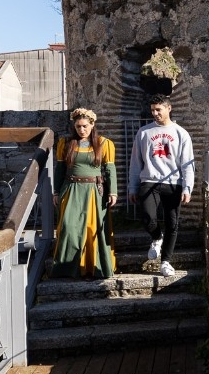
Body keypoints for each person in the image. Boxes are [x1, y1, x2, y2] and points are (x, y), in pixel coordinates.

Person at [128, 95, 195, 277]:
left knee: (172, 223)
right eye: (153, 110)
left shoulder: (181, 133)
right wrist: (133, 187)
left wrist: (187, 187)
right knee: (148, 217)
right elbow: (136, 162)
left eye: (159, 109)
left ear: (169, 108)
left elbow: (187, 163)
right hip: (149, 180)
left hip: (173, 183)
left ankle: (166, 262)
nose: (155, 113)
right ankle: (157, 237)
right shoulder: (144, 132)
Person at [51, 107, 117, 278]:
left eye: (85, 126)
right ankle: (68, 269)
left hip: (94, 191)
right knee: (69, 227)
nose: (82, 130)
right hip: (71, 189)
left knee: (92, 230)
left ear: (92, 124)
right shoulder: (65, 143)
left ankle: (93, 268)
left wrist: (113, 192)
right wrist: (56, 191)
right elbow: (60, 169)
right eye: (78, 126)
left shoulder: (104, 143)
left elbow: (110, 169)